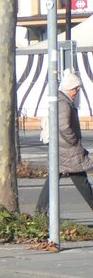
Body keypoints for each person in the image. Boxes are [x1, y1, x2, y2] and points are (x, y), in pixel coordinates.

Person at [34, 70, 93, 216]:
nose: (77, 92)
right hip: (68, 150)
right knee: (82, 182)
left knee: (53, 181)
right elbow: (64, 126)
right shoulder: (64, 103)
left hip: (62, 149)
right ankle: (39, 213)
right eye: (76, 89)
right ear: (69, 88)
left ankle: (39, 213)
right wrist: (74, 142)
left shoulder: (62, 101)